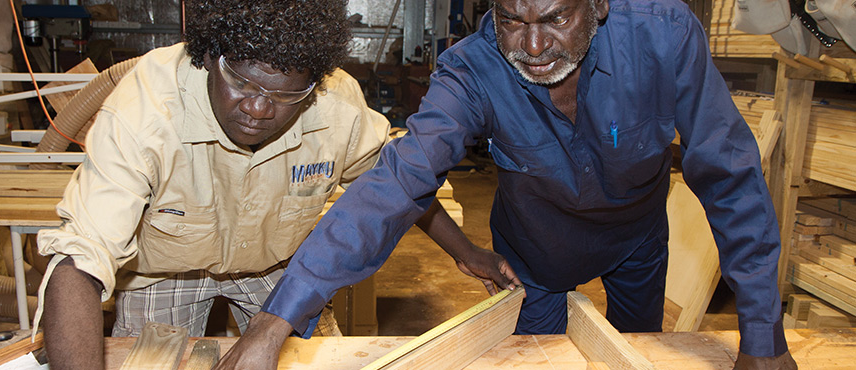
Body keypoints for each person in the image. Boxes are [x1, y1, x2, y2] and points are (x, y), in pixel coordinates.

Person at [223, 0, 798, 369]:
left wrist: (763, 332)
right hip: (534, 258)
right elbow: (397, 183)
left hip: (635, 246)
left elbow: (731, 177)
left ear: (597, 5)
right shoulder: (471, 71)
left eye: (555, 19)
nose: (533, 47)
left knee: (633, 356)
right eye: (512, 21)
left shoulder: (665, 37)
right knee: (529, 361)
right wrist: (277, 319)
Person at [35, 1, 519, 369]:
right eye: (243, 84)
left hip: (275, 265)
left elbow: (396, 186)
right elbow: (80, 259)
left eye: (287, 94)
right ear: (210, 57)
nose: (260, 108)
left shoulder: (336, 107)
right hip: (165, 268)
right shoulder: (144, 110)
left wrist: (465, 250)